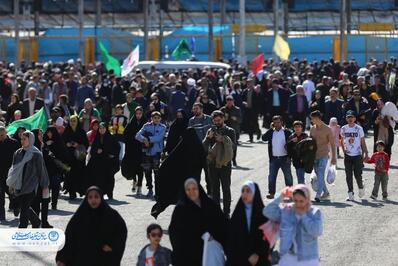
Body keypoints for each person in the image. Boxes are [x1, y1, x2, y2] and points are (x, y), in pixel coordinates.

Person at [56, 186, 127, 266]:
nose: (93, 200)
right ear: (86, 199)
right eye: (90, 197)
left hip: (104, 259)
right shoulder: (79, 217)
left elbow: (121, 232)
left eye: (96, 197)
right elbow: (68, 238)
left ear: (101, 198)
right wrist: (62, 259)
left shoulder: (111, 216)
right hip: (81, 260)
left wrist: (113, 246)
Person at [169, 178, 227, 266]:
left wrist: (213, 236)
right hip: (191, 256)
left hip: (212, 253)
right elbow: (175, 234)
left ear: (199, 189)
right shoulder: (180, 210)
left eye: (194, 189)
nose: (192, 192)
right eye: (188, 189)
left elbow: (222, 224)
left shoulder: (210, 205)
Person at [263, 185, 323, 266]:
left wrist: (303, 216)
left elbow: (316, 231)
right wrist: (281, 197)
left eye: (301, 201)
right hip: (287, 258)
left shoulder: (314, 212)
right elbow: (267, 212)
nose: (298, 204)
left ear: (307, 199)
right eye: (295, 200)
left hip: (308, 259)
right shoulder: (286, 210)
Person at [6, 131, 50, 228]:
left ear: (30, 140)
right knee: (24, 206)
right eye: (21, 139)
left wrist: (45, 185)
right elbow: (13, 169)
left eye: (24, 139)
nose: (22, 141)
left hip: (31, 185)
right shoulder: (18, 153)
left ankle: (22, 229)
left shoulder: (36, 154)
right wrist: (11, 184)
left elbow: (41, 170)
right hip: (18, 184)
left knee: (24, 208)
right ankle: (36, 221)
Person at [227, 181, 271, 266]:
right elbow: (232, 237)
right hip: (240, 257)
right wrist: (246, 254)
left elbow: (267, 238)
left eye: (248, 191)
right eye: (243, 191)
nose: (244, 194)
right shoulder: (237, 214)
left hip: (259, 258)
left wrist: (258, 254)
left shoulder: (263, 215)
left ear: (254, 193)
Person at [203, 110, 236, 216]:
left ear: (223, 119)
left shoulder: (230, 131)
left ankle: (226, 212)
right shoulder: (210, 130)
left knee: (226, 189)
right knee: (214, 190)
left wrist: (223, 140)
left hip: (225, 164)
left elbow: (234, 147)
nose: (217, 122)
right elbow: (203, 147)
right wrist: (208, 138)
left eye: (219, 120)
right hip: (212, 164)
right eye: (215, 120)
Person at [135, 111, 166, 197]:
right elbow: (137, 135)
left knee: (157, 172)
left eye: (158, 118)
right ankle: (150, 189)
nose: (156, 119)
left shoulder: (162, 127)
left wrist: (148, 139)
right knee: (147, 172)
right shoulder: (146, 126)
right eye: (154, 118)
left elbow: (159, 138)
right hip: (146, 152)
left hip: (156, 152)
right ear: (151, 118)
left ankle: (157, 190)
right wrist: (144, 140)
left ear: (160, 119)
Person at [262, 115, 293, 199]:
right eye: (275, 123)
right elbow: (263, 138)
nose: (276, 124)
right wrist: (270, 129)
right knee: (272, 177)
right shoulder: (271, 132)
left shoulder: (287, 132)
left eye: (278, 122)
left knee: (288, 177)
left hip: (285, 158)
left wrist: (289, 157)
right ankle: (271, 193)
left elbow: (291, 145)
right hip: (274, 159)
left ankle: (289, 194)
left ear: (281, 122)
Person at [340, 110, 369, 201]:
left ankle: (361, 187)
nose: (350, 119)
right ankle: (350, 193)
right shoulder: (343, 128)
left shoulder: (359, 128)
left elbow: (363, 142)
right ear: (346, 118)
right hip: (348, 155)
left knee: (357, 174)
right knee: (348, 175)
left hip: (357, 155)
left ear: (355, 118)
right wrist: (343, 150)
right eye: (348, 117)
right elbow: (342, 140)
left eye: (352, 117)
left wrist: (366, 153)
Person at [88, 123, 120, 200]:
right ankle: (100, 193)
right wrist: (97, 150)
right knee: (99, 178)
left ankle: (110, 194)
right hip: (99, 162)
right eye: (100, 128)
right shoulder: (97, 138)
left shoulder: (111, 137)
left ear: (106, 129)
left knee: (109, 178)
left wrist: (113, 154)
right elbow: (92, 150)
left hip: (109, 162)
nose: (101, 130)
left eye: (103, 128)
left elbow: (117, 147)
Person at [310, 110, 336, 202]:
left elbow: (333, 144)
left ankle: (318, 195)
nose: (311, 120)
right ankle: (326, 192)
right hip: (314, 156)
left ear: (317, 118)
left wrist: (334, 158)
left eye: (312, 119)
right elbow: (310, 143)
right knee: (319, 176)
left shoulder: (327, 129)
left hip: (324, 155)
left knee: (321, 174)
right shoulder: (312, 128)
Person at [63, 115, 89, 199]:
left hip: (79, 158)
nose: (72, 123)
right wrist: (67, 144)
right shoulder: (66, 131)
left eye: (74, 121)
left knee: (79, 174)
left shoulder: (81, 131)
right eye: (71, 121)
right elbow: (62, 142)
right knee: (70, 174)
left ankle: (80, 190)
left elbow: (86, 143)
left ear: (77, 122)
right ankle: (71, 192)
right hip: (69, 157)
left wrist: (78, 145)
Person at [43, 126, 69, 210]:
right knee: (46, 187)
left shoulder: (59, 142)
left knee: (55, 187)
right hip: (46, 168)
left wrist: (53, 146)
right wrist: (46, 145)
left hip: (56, 169)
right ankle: (46, 203)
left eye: (51, 132)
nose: (49, 134)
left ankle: (54, 203)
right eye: (48, 132)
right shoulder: (44, 142)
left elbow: (63, 155)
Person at [122, 107, 146, 194]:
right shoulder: (131, 123)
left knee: (140, 169)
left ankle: (139, 186)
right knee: (133, 168)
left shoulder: (145, 123)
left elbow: (148, 135)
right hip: (132, 150)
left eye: (140, 113)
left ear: (142, 114)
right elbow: (125, 134)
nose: (138, 115)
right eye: (137, 113)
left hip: (141, 150)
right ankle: (134, 181)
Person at [0, 126, 19, 221]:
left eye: (2, 135)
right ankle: (1, 216)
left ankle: (15, 206)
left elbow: (18, 158)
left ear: (5, 133)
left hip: (10, 173)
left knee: (11, 194)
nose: (0, 137)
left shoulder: (14, 143)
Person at [220, 95, 242, 166]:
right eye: (228, 101)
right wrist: (224, 119)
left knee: (233, 146)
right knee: (223, 145)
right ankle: (225, 160)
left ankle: (234, 159)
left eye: (231, 101)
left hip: (234, 130)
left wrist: (235, 119)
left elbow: (240, 120)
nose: (229, 103)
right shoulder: (222, 109)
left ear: (233, 101)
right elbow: (218, 118)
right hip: (224, 130)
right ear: (226, 102)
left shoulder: (237, 109)